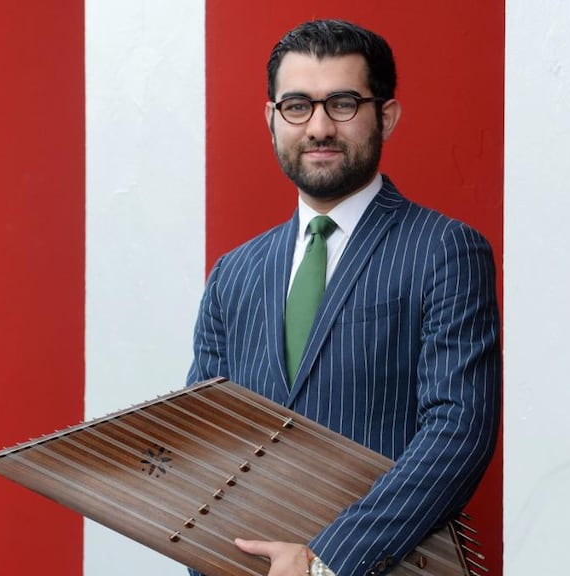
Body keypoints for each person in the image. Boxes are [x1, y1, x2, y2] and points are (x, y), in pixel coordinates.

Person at [185, 19, 501, 576]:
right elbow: (206, 441)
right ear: (272, 119)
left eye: (344, 103)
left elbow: (459, 429)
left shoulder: (444, 250)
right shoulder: (232, 274)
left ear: (387, 116)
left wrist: (324, 561)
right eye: (297, 106)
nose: (319, 126)